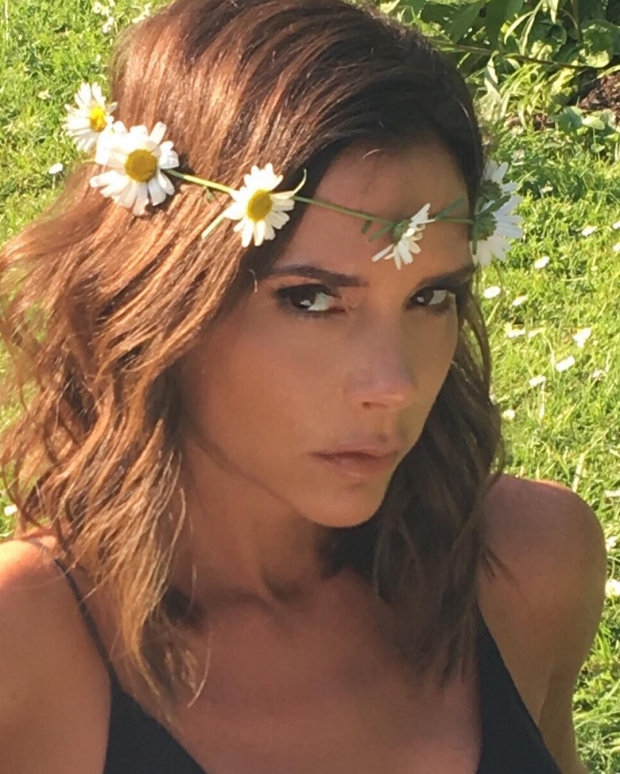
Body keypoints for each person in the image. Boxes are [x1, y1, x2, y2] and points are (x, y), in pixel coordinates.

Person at [0, 0, 607, 772]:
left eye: (431, 297)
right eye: (312, 299)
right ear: (164, 297)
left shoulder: (529, 564)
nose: (392, 384)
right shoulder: (27, 649)